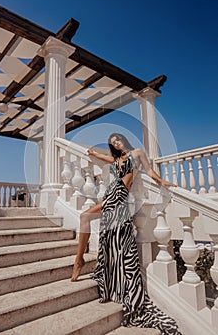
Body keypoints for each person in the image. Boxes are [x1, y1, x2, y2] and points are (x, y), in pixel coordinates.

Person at [71, 133, 182, 335]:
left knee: (114, 236)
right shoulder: (116, 159)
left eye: (118, 140)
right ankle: (78, 260)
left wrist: (161, 181)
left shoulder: (137, 153)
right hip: (111, 193)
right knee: (86, 218)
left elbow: (149, 170)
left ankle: (104, 274)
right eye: (113, 143)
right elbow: (104, 158)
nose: (116, 144)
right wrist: (93, 153)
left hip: (122, 198)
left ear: (124, 140)